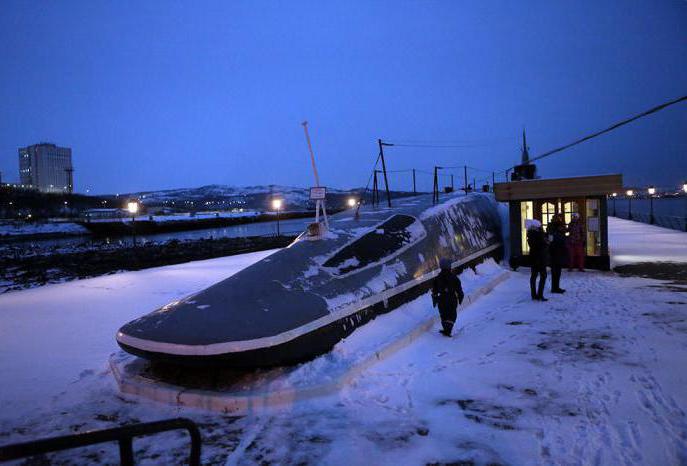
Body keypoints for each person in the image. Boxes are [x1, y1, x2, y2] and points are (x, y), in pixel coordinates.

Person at [431, 258, 464, 337]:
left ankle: (446, 329)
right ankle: (448, 330)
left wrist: (435, 298)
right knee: (452, 314)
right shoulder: (454, 277)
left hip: (441, 299)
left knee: (443, 314)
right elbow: (459, 289)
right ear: (449, 266)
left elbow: (434, 290)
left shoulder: (437, 278)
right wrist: (460, 296)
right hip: (452, 298)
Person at [526, 219, 548, 301]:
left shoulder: (531, 234)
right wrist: (546, 243)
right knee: (543, 276)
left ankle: (534, 295)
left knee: (534, 276)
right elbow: (542, 246)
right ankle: (540, 294)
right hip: (540, 258)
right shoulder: (539, 234)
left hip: (534, 258)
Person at [547, 213, 567, 294]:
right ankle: (554, 288)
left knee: (557, 271)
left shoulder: (554, 228)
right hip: (555, 252)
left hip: (557, 251)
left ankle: (556, 287)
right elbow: (551, 241)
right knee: (556, 271)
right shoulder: (553, 229)